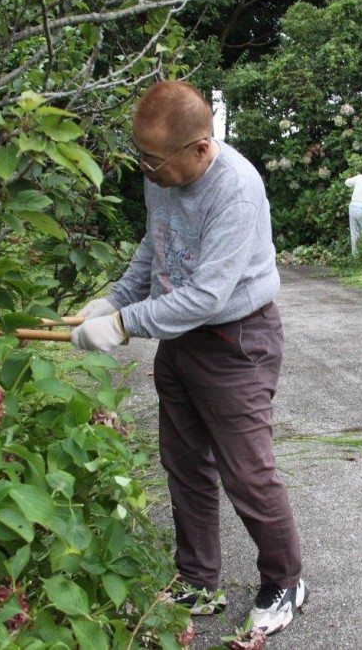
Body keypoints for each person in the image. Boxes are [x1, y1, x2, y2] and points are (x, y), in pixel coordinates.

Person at [69, 81, 307, 636]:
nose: (144, 170)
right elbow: (155, 249)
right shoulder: (162, 175)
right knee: (184, 465)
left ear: (199, 148)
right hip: (180, 339)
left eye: (152, 159)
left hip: (236, 342)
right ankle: (198, 578)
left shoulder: (237, 190)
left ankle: (286, 579)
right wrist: (112, 300)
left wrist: (123, 326)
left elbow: (208, 296)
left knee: (247, 473)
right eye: (140, 155)